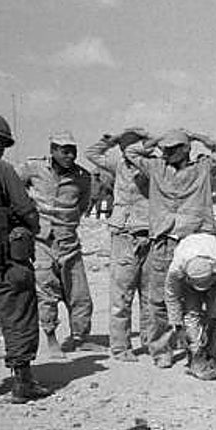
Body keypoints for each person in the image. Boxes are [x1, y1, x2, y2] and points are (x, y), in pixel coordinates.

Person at [125, 128, 216, 368]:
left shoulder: (203, 168)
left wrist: (198, 136)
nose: (166, 153)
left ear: (186, 149)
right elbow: (131, 152)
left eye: (172, 149)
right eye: (164, 149)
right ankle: (162, 349)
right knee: (159, 299)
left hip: (195, 242)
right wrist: (157, 140)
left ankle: (200, 346)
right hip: (165, 241)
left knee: (199, 296)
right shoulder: (156, 167)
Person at [0, 112, 48, 402]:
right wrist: (31, 227)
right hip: (0, 258)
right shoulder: (1, 169)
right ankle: (23, 383)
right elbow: (24, 209)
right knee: (19, 312)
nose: (2, 150)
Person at [17, 132, 94, 356]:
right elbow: (12, 187)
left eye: (73, 151)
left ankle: (80, 338)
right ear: (52, 151)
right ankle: (51, 338)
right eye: (64, 151)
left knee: (79, 294)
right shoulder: (33, 168)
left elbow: (82, 206)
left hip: (69, 242)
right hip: (42, 242)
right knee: (46, 291)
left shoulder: (83, 177)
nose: (70, 156)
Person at [83, 127, 156, 361]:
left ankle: (150, 341)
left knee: (150, 295)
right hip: (124, 234)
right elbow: (91, 153)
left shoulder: (154, 165)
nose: (129, 151)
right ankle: (121, 346)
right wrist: (112, 140)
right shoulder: (119, 165)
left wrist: (148, 138)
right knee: (121, 295)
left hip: (150, 233)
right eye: (126, 147)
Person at [163, 232, 216, 380]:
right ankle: (197, 357)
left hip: (214, 273)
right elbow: (172, 297)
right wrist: (178, 326)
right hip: (189, 275)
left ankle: (212, 354)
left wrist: (213, 320)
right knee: (191, 313)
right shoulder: (176, 269)